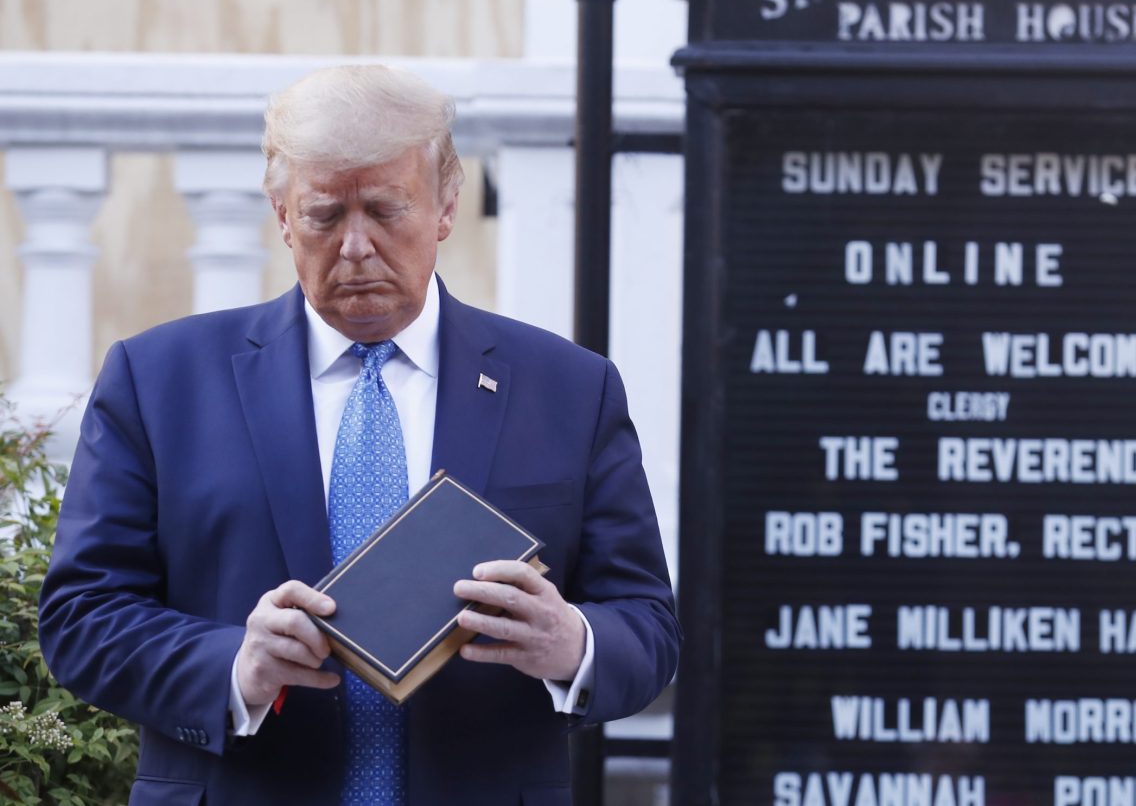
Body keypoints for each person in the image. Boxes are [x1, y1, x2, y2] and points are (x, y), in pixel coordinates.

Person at [38, 65, 680, 806]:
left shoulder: (568, 389)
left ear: (445, 205)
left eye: (383, 209)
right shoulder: (159, 381)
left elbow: (648, 626)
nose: (355, 246)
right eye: (323, 215)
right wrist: (233, 665)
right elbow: (83, 616)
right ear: (280, 215)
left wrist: (573, 645)